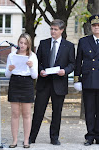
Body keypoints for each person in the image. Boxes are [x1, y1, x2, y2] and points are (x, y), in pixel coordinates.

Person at [29, 19, 75, 145]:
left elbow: (72, 64)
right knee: (38, 111)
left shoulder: (69, 46)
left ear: (62, 30)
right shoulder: (43, 44)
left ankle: (54, 137)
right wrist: (41, 71)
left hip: (59, 83)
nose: (53, 31)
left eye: (55, 29)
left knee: (57, 112)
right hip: (44, 83)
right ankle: (31, 137)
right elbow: (37, 62)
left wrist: (65, 71)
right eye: (51, 29)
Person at [5, 33, 38, 148]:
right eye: (21, 43)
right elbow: (7, 75)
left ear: (29, 45)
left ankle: (26, 140)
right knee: (15, 113)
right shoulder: (11, 55)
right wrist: (9, 69)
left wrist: (31, 66)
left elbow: (34, 76)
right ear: (18, 43)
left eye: (25, 43)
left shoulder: (32, 56)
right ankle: (14, 140)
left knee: (27, 114)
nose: (22, 45)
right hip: (15, 82)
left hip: (27, 83)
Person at [74, 14, 99, 146]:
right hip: (88, 79)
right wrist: (77, 79)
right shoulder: (84, 41)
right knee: (89, 110)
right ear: (91, 27)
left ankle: (98, 135)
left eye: (98, 26)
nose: (97, 28)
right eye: (94, 25)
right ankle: (90, 136)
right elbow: (78, 61)